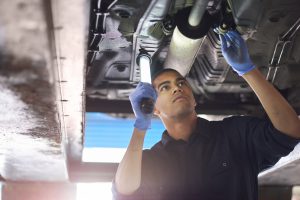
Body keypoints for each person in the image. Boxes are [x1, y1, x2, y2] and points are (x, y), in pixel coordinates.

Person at [112, 30, 300, 200]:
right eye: (165, 88)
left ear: (194, 99)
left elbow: (290, 131)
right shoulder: (153, 161)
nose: (176, 88)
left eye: (181, 83)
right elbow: (124, 193)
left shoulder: (235, 134)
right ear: (155, 109)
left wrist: (248, 71)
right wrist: (140, 126)